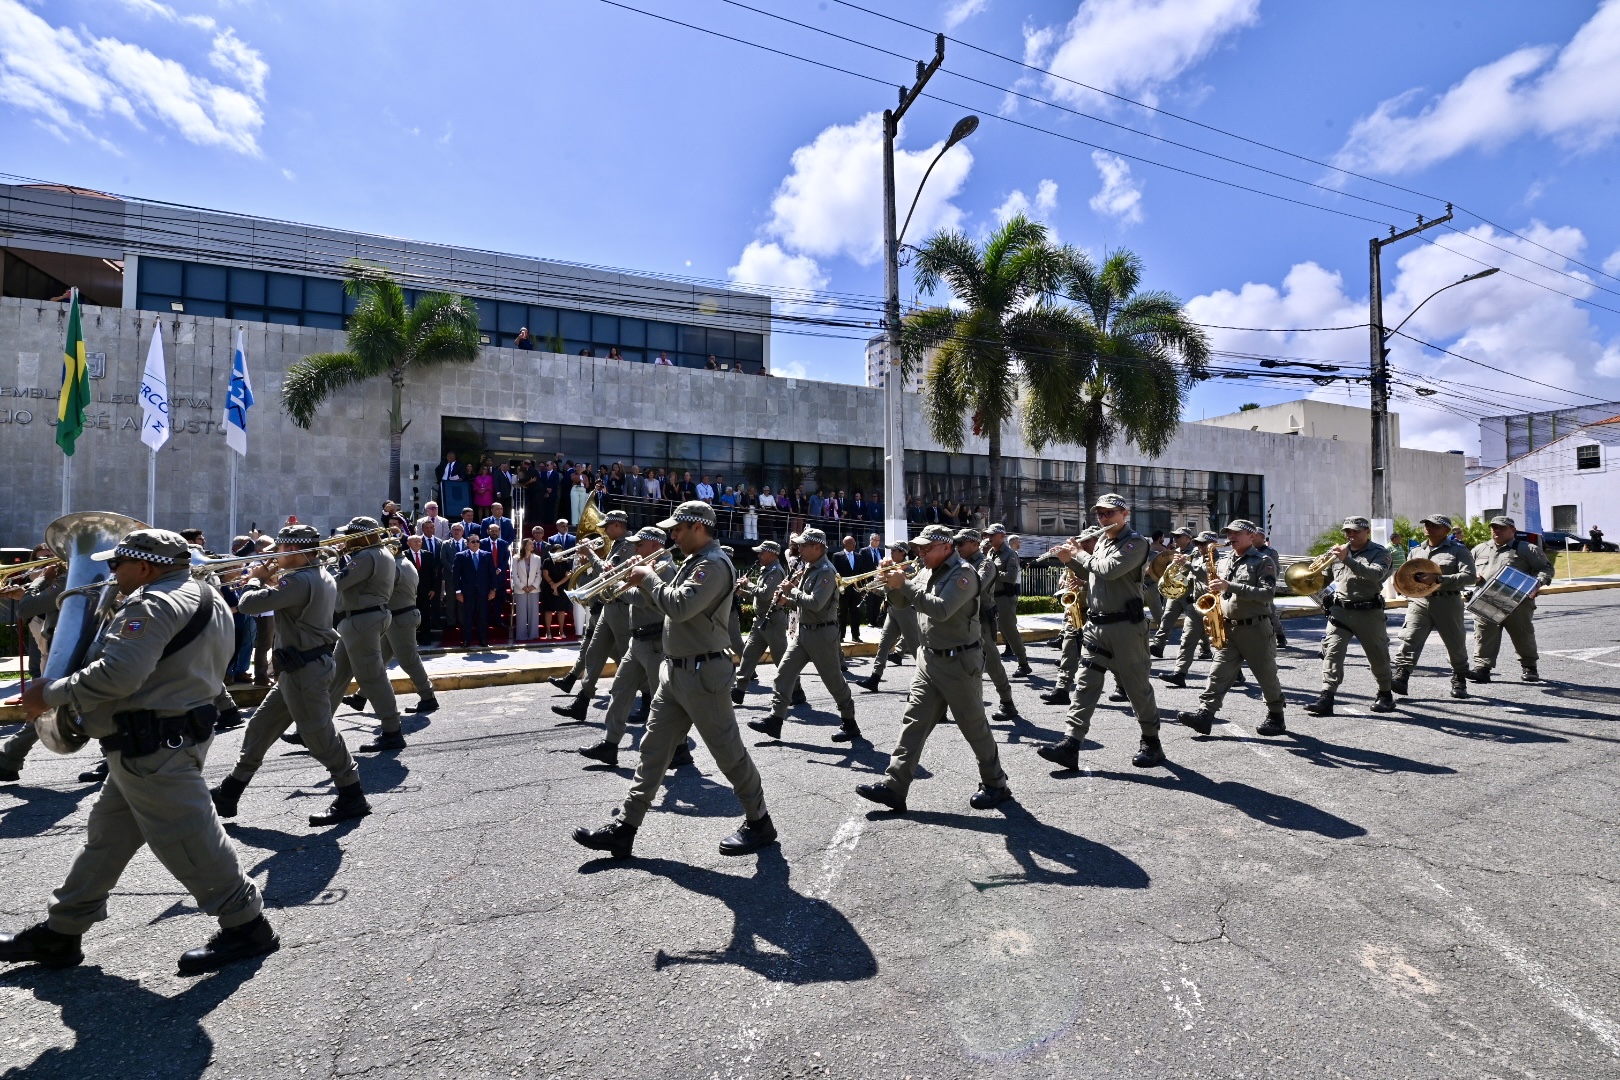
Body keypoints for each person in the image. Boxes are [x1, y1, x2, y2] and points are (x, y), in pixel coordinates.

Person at [4, 528, 277, 974]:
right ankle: (61, 931)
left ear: (145, 567)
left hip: (152, 745)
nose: (112, 572)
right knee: (107, 840)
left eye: (117, 564)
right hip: (165, 738)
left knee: (191, 839)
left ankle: (247, 926)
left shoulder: (151, 604)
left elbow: (119, 675)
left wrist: (49, 692)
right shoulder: (204, 593)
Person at [572, 501, 777, 859]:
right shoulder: (693, 561)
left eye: (678, 530)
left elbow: (680, 607)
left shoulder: (713, 564)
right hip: (676, 672)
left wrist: (647, 577)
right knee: (652, 751)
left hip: (703, 674)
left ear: (698, 528)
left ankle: (759, 822)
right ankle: (625, 827)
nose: (674, 536)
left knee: (729, 754)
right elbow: (665, 605)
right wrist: (637, 583)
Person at [211, 524, 370, 827]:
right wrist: (269, 577)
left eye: (280, 550)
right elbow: (287, 598)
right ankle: (230, 791)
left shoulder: (299, 580)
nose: (275, 555)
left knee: (319, 736)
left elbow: (249, 604)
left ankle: (352, 795)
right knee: (260, 727)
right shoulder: (315, 574)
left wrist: (255, 579)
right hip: (297, 668)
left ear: (294, 550)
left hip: (304, 670)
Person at [855, 524, 1012, 814]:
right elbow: (902, 602)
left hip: (958, 662)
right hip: (929, 660)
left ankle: (996, 783)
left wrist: (905, 584)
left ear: (946, 547)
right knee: (913, 722)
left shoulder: (963, 573)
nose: (921, 552)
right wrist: (889, 581)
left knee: (973, 726)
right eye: (919, 548)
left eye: (927, 548)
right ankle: (895, 786)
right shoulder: (926, 571)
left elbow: (941, 609)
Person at [1036, 494, 1166, 771]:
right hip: (1096, 626)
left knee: (1137, 688)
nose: (1104, 519)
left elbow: (1109, 570)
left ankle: (1151, 742)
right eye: (1100, 514)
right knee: (1085, 684)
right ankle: (1071, 743)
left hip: (1126, 627)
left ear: (1124, 514)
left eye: (1110, 513)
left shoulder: (1135, 543)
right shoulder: (1104, 541)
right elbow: (1093, 574)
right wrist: (1069, 560)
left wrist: (1079, 553)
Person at [749, 528, 860, 744]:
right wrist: (786, 601)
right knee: (783, 674)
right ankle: (775, 719)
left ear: (817, 547)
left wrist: (792, 591)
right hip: (804, 632)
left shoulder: (826, 571)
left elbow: (816, 603)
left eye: (803, 545)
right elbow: (802, 604)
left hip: (822, 634)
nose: (799, 549)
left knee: (834, 682)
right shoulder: (809, 567)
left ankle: (849, 722)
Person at [1177, 520, 1287, 738]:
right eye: (1228, 533)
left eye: (1236, 533)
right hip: (1228, 628)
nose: (1231, 537)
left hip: (1255, 629)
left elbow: (1267, 594)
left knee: (1266, 675)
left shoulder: (1263, 561)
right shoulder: (1224, 561)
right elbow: (1211, 580)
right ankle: (1205, 714)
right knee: (1218, 673)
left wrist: (1230, 586)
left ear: (1251, 536)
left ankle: (1276, 716)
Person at [577, 527, 676, 766]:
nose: (635, 548)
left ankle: (679, 748)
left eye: (639, 544)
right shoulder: (645, 563)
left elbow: (642, 600)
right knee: (620, 691)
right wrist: (619, 577)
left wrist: (617, 584)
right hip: (637, 641)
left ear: (655, 545)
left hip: (654, 642)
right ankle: (610, 744)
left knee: (662, 700)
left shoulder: (664, 568)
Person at [326, 519, 407, 751]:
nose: (346, 540)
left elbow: (335, 584)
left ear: (362, 536)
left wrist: (328, 562)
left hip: (362, 620)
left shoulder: (366, 556)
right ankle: (316, 728)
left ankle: (392, 730)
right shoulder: (379, 553)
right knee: (337, 675)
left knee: (372, 677)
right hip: (361, 619)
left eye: (350, 535)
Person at [1302, 516, 1396, 716]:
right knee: (1332, 652)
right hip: (1340, 611)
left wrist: (1347, 560)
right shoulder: (1338, 552)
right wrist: (1309, 579)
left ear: (1367, 532)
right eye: (1347, 531)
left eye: (1355, 531)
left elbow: (1376, 575)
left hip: (1368, 611)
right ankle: (1326, 696)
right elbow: (1325, 579)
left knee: (1377, 655)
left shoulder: (1380, 552)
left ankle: (1385, 694)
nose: (1350, 535)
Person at [550, 512, 635, 719]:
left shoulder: (628, 545)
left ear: (618, 525)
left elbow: (608, 574)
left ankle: (649, 696)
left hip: (621, 608)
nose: (604, 531)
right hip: (607, 608)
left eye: (607, 526)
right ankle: (581, 702)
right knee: (593, 654)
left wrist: (590, 553)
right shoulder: (616, 545)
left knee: (631, 657)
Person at [1387, 514, 1479, 700]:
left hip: (1447, 602)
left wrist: (1439, 579)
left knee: (1454, 642)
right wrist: (1401, 586)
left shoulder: (1458, 550)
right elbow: (1407, 574)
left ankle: (1459, 678)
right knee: (1410, 638)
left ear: (1446, 530)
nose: (1428, 528)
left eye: (1434, 526)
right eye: (1427, 524)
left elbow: (1470, 577)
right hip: (1419, 602)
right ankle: (1401, 677)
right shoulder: (1416, 551)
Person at [345, 541, 440, 715]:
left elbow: (378, 588)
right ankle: (360, 697)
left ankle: (428, 697)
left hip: (399, 618)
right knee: (380, 660)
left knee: (409, 660)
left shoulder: (394, 568)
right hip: (400, 617)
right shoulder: (405, 563)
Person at [1467, 515, 1554, 684]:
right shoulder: (1480, 549)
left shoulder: (1527, 549)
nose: (1496, 531)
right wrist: (1473, 578)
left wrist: (1537, 584)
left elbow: (1546, 569)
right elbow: (1468, 571)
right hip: (1486, 600)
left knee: (1522, 634)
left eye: (1501, 528)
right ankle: (1482, 669)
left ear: (1512, 530)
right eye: (1494, 527)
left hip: (1517, 602)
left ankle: (1529, 667)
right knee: (1484, 634)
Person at [957, 530, 1020, 723]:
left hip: (980, 619)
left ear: (975, 544)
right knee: (951, 662)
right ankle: (942, 706)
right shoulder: (958, 562)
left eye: (962, 543)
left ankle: (1007, 702)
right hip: (959, 619)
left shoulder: (986, 564)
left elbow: (974, 587)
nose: (958, 547)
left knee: (991, 661)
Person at [1157, 532, 1219, 689]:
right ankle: (1179, 674)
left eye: (1203, 544)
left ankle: (1237, 673)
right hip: (1196, 604)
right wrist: (1174, 571)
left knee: (1220, 642)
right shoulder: (1196, 557)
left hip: (1214, 605)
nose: (1200, 547)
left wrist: (1187, 564)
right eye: (1198, 543)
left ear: (1213, 544)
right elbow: (1188, 578)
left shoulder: (1218, 559)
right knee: (1187, 639)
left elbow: (1204, 574)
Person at [858, 543, 922, 691]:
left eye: (894, 550)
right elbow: (887, 592)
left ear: (903, 553)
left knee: (915, 648)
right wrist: (875, 589)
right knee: (883, 644)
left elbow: (904, 590)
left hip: (906, 611)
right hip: (892, 610)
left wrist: (889, 579)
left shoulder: (910, 570)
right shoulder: (890, 568)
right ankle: (875, 678)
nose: (891, 553)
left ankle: (927, 681)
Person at [731, 541, 789, 702]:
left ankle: (796, 690)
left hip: (773, 621)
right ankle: (739, 690)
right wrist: (742, 592)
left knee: (781, 659)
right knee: (749, 655)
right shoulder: (767, 570)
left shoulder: (776, 571)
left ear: (772, 554)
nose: (759, 556)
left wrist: (748, 584)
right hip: (760, 620)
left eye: (762, 553)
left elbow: (765, 595)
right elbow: (758, 598)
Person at [986, 524, 1030, 676]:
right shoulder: (991, 552)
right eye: (988, 535)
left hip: (1005, 597)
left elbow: (1011, 577)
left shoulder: (1010, 554)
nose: (989, 538)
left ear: (1002, 536)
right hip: (992, 597)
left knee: (1010, 631)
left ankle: (1023, 663)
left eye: (992, 535)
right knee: (989, 630)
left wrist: (992, 572)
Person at [1148, 528, 1197, 658]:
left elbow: (1197, 573)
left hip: (1189, 594)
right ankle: (1158, 646)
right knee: (1166, 619)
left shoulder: (1195, 553)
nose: (1175, 539)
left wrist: (1181, 573)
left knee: (1196, 622)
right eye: (1174, 537)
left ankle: (1205, 648)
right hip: (1175, 592)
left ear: (1188, 538)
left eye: (1178, 537)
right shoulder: (1173, 552)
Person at [453, 534, 497, 650]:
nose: (476, 543)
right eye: (473, 541)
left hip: (483, 592)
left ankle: (483, 640)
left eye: (477, 541)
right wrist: (458, 591)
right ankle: (466, 640)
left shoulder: (487, 555)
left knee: (483, 616)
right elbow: (456, 575)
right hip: (467, 592)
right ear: (467, 543)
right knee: (468, 616)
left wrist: (493, 589)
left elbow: (492, 573)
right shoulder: (460, 556)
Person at [834, 535, 869, 643]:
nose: (854, 545)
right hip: (843, 590)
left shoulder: (859, 556)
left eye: (854, 543)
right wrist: (839, 588)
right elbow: (835, 574)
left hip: (855, 589)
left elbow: (861, 573)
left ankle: (856, 636)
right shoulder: (837, 556)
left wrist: (863, 589)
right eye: (852, 543)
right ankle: (840, 636)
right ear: (845, 544)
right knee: (842, 613)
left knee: (855, 613)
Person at [511, 537, 543, 643]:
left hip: (534, 590)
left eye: (532, 544)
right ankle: (521, 636)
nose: (532, 545)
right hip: (521, 589)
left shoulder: (537, 558)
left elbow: (539, 574)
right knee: (521, 613)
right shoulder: (516, 558)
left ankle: (533, 635)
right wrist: (523, 587)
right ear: (525, 546)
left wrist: (533, 586)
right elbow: (514, 574)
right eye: (530, 544)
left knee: (534, 613)